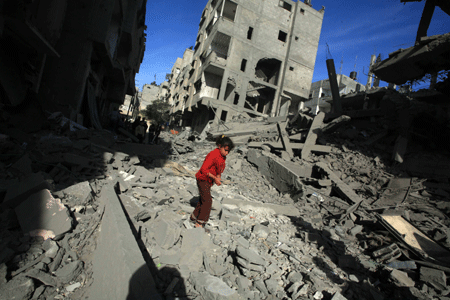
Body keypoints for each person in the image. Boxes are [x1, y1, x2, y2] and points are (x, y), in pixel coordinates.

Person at [190, 135, 235, 231]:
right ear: (219, 146)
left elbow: (219, 168)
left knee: (203, 200)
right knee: (208, 201)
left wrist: (218, 177)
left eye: (228, 151)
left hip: (208, 181)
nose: (226, 153)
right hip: (202, 179)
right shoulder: (213, 154)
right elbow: (204, 169)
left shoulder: (222, 157)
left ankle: (193, 217)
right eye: (225, 150)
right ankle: (200, 223)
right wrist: (215, 178)